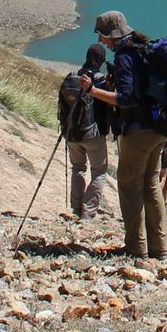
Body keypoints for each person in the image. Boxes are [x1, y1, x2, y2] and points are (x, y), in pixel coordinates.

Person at [79, 10, 165, 259]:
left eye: (102, 36)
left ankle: (137, 248)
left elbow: (126, 99)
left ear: (110, 35)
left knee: (129, 185)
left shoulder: (126, 56)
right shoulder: (142, 47)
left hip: (137, 131)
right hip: (158, 127)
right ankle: (159, 247)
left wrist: (92, 91)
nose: (101, 42)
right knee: (150, 184)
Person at [59, 43, 109, 219]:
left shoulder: (72, 75)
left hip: (72, 133)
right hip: (93, 134)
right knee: (99, 172)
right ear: (101, 59)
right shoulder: (101, 80)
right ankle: (88, 211)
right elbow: (108, 106)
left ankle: (75, 207)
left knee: (77, 168)